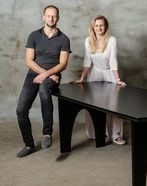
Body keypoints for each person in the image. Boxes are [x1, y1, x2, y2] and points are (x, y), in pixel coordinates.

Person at [16, 5, 71, 157]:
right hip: (34, 75)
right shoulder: (34, 35)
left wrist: (48, 74)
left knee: (43, 91)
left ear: (58, 18)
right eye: (48, 16)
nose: (51, 18)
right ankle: (29, 145)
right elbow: (28, 60)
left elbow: (62, 64)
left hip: (54, 76)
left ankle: (47, 133)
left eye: (54, 16)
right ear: (43, 17)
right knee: (20, 111)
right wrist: (44, 73)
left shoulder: (64, 39)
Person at [70, 15, 126, 145]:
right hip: (94, 73)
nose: (99, 28)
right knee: (94, 103)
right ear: (93, 27)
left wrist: (117, 79)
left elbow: (113, 60)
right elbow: (87, 60)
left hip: (109, 72)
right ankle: (98, 133)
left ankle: (116, 135)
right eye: (96, 25)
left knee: (114, 104)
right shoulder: (88, 40)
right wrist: (82, 78)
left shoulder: (112, 40)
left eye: (101, 25)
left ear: (105, 26)